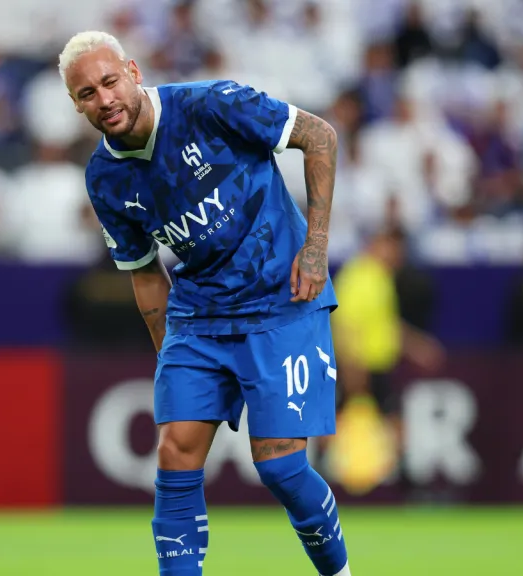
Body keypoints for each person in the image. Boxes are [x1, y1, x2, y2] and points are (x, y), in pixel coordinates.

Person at [60, 31, 350, 576]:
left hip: (282, 298)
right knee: (174, 453)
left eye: (109, 82)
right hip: (198, 317)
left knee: (282, 468)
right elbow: (144, 271)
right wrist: (168, 352)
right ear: (75, 105)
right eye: (86, 94)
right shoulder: (104, 177)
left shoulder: (212, 105)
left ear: (134, 71)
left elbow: (320, 136)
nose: (103, 100)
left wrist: (315, 250)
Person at [329, 225, 444, 496]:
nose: (397, 255)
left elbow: (386, 324)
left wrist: (417, 346)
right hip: (361, 366)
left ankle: (402, 482)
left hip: (377, 364)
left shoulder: (380, 277)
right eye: (391, 247)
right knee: (344, 420)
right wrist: (353, 369)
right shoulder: (360, 276)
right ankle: (329, 480)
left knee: (385, 420)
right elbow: (346, 326)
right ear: (376, 245)